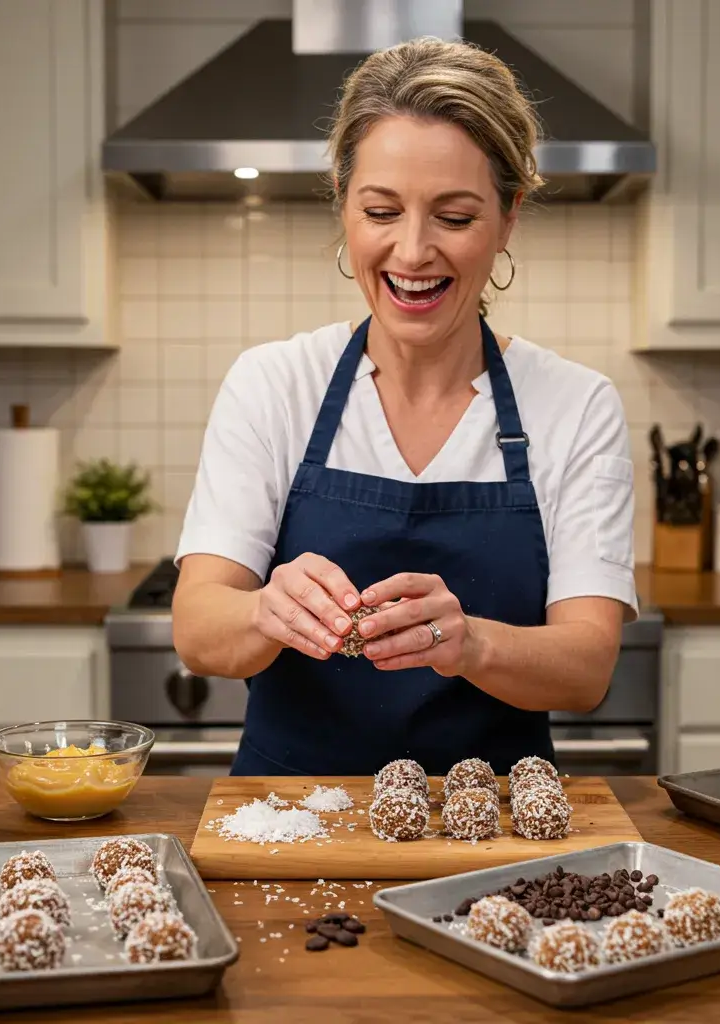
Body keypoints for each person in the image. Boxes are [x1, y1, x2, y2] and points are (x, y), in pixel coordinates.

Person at [172, 36, 638, 777]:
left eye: (454, 217)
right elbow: (199, 626)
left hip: (499, 834)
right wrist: (264, 611)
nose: (413, 251)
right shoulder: (273, 383)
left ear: (509, 216)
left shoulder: (576, 405)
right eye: (381, 210)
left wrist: (470, 642)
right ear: (343, 206)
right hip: (285, 822)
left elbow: (586, 666)